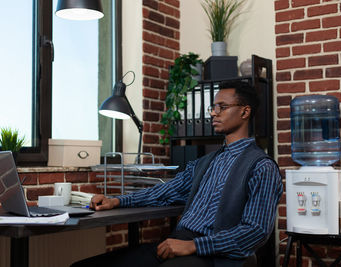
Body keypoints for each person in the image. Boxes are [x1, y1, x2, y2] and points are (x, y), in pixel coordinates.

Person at [71, 80, 283, 267]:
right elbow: (164, 192)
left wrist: (194, 246)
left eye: (222, 107)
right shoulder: (205, 163)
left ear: (245, 112)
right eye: (213, 107)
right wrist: (116, 201)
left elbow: (255, 231)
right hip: (176, 242)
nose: (213, 113)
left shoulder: (261, 167)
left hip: (214, 255)